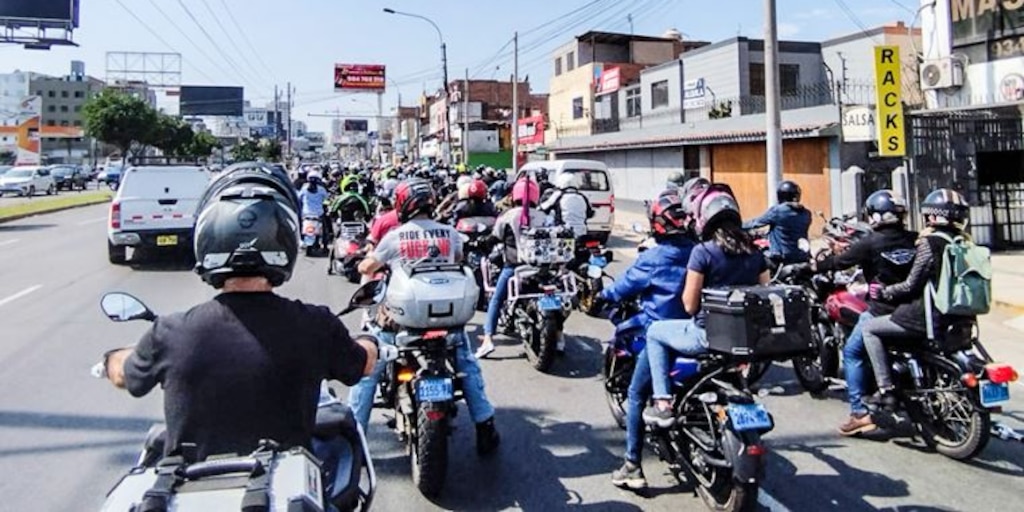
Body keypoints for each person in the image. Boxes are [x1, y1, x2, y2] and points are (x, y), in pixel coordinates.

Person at [101, 163, 378, 460]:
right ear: (285, 239)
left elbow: (125, 376)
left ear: (207, 240)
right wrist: (370, 340)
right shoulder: (315, 325)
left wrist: (111, 359)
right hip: (286, 488)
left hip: (192, 489)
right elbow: (361, 364)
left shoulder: (170, 333)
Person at [349, 178, 501, 454]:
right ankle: (485, 425)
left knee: (368, 371)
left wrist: (362, 259)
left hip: (400, 323)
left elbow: (369, 265)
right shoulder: (450, 233)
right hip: (449, 321)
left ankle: (352, 437)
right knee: (467, 365)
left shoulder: (396, 236)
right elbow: (457, 259)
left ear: (403, 205)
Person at [643, 184, 770, 427]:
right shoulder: (755, 252)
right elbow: (765, 293)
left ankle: (662, 403)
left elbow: (689, 306)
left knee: (654, 333)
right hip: (747, 339)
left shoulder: (702, 252)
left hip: (707, 336)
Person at [605, 192, 696, 489]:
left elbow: (622, 287)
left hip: (662, 336)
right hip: (697, 333)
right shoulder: (699, 252)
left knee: (635, 394)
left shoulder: (654, 258)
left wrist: (601, 296)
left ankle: (632, 465)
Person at [814, 190, 917, 435]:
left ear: (875, 216)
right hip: (914, 309)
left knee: (852, 351)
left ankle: (859, 413)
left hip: (883, 311)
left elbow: (839, 263)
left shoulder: (871, 243)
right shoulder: (914, 239)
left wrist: (815, 265)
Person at [860, 189, 973, 410]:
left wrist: (886, 292)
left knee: (870, 329)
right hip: (961, 317)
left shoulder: (929, 243)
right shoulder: (965, 243)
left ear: (932, 216)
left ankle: (886, 390)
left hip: (927, 316)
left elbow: (912, 284)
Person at [477, 177, 549, 359]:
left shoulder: (508, 216)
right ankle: (559, 336)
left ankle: (487, 340)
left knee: (496, 299)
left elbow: (494, 237)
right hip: (541, 269)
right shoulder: (544, 217)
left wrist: (483, 243)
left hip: (513, 268)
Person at [743, 180, 812, 264]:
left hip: (781, 258)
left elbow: (756, 223)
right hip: (802, 256)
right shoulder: (806, 214)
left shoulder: (778, 211)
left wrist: (736, 225)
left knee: (755, 257)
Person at [540, 172, 594, 239]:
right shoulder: (583, 197)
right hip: (582, 232)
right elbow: (590, 213)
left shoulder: (558, 195)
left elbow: (543, 208)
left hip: (564, 233)